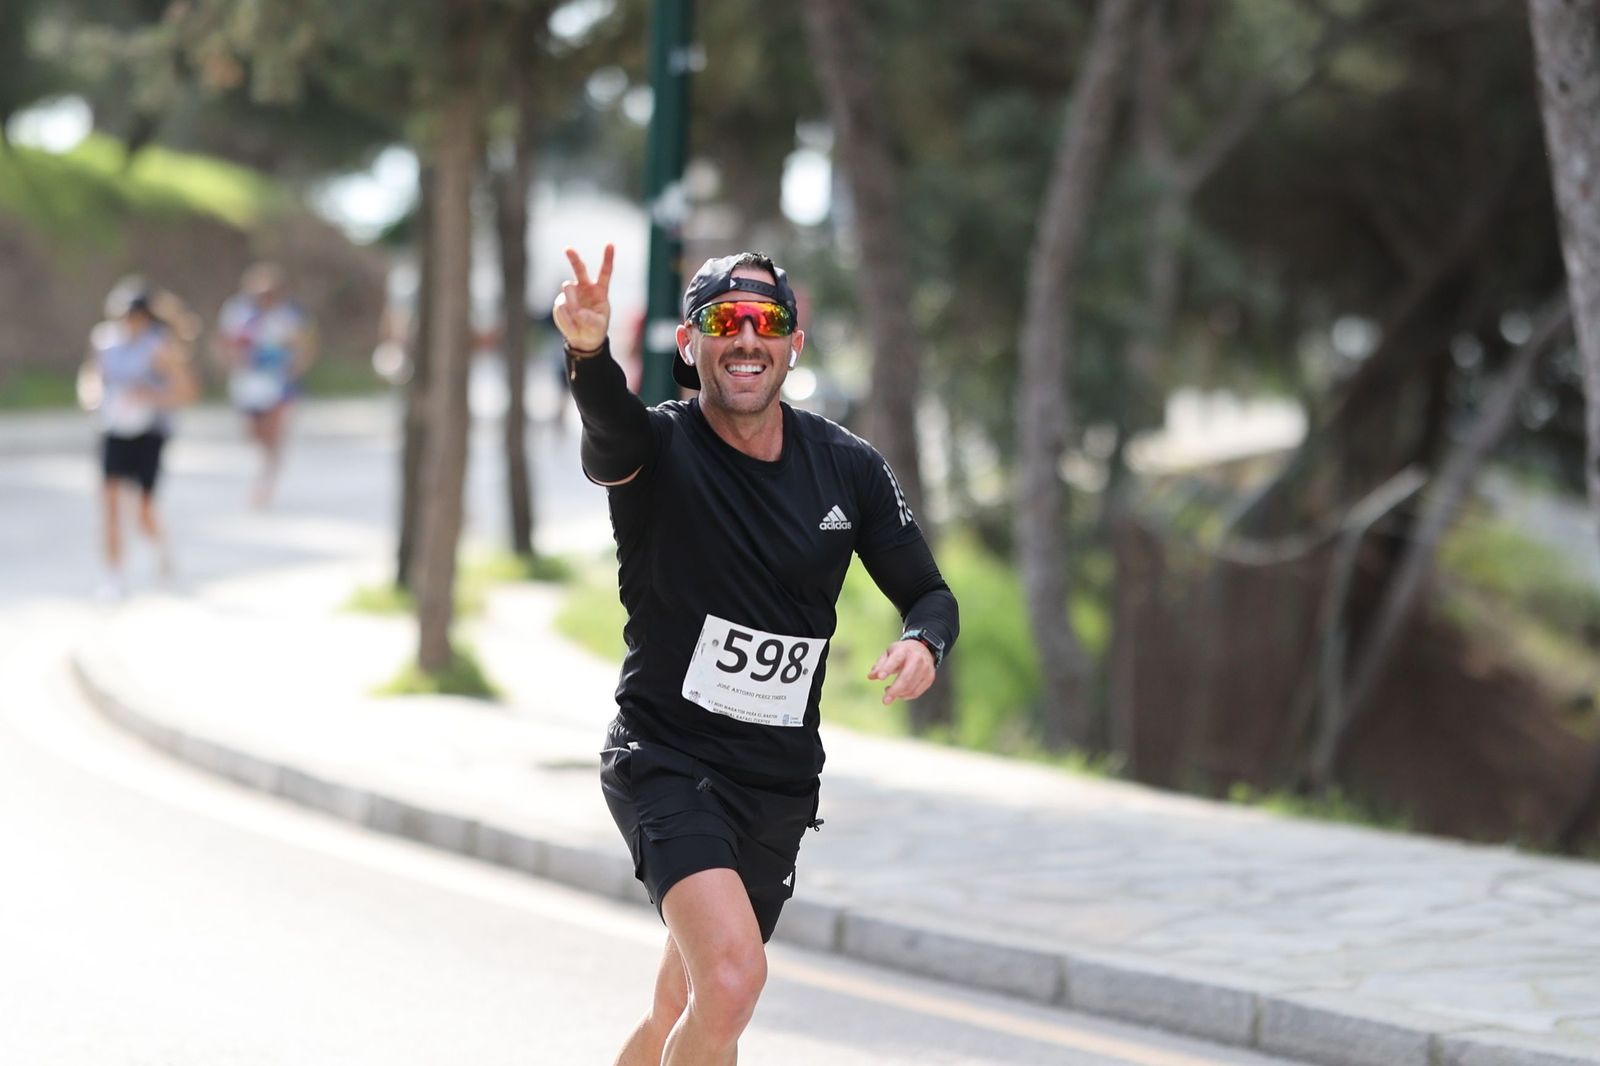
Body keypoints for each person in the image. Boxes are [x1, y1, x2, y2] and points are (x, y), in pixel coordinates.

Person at [553, 245, 959, 1065]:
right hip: (666, 757)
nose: (746, 339)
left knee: (688, 1000)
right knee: (733, 984)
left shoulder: (847, 467)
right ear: (689, 344)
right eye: (724, 323)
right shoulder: (657, 450)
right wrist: (589, 354)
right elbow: (607, 427)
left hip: (774, 781)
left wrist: (923, 641)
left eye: (766, 323)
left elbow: (931, 593)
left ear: (793, 345)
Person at [78, 288, 199, 599]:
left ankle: (162, 553)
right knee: (110, 506)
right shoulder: (105, 340)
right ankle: (114, 576)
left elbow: (186, 392)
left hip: (149, 433)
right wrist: (93, 397)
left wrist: (150, 397)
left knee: (144, 512)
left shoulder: (159, 347)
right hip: (114, 430)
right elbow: (92, 375)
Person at [216, 262, 316, 507]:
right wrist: (232, 362)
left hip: (279, 382)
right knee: (253, 432)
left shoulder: (289, 314)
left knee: (274, 432)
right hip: (249, 381)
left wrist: (295, 368)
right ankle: (265, 465)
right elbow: (224, 342)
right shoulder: (238, 312)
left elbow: (305, 344)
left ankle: (265, 481)